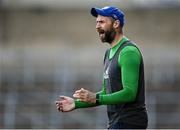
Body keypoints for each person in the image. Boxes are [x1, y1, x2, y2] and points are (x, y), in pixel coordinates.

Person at [55, 6, 148, 129]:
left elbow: (130, 93)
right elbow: (106, 92)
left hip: (130, 122)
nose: (97, 26)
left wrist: (96, 98)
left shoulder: (128, 52)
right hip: (116, 122)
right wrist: (76, 104)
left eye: (102, 22)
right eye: (97, 22)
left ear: (116, 24)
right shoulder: (108, 54)